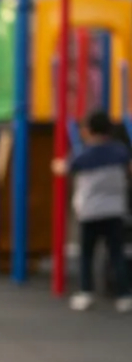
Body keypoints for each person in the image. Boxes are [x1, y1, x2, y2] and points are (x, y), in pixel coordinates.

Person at [54, 110, 132, 313]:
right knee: (116, 253)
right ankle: (124, 295)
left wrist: (58, 165)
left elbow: (65, 167)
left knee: (87, 254)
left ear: (88, 130)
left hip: (90, 212)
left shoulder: (84, 154)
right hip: (115, 210)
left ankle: (86, 292)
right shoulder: (120, 150)